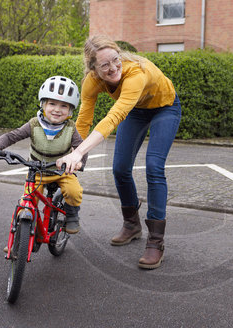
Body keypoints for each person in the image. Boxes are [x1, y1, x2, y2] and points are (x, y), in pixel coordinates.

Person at [56, 35, 182, 269]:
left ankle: (156, 241)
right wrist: (75, 150)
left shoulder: (135, 73)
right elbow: (84, 119)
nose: (113, 67)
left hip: (165, 108)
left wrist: (80, 151)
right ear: (93, 68)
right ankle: (132, 225)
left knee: (154, 167)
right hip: (136, 111)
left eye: (116, 60)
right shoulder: (91, 82)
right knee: (120, 168)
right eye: (105, 65)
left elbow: (114, 116)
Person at [0, 76, 88, 236]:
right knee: (26, 203)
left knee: (74, 191)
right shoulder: (34, 124)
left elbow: (81, 148)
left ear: (70, 110)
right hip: (37, 172)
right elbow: (13, 135)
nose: (57, 109)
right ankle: (17, 237)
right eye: (52, 103)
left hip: (62, 172)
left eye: (64, 106)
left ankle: (72, 215)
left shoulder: (70, 128)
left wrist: (79, 163)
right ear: (43, 104)